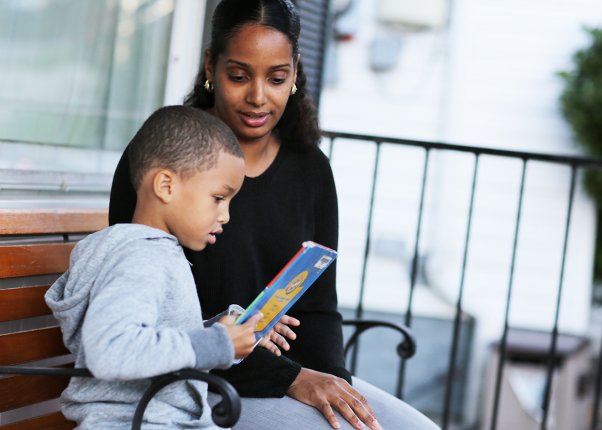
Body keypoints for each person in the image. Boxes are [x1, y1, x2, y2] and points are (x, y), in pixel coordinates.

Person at [109, 1, 440, 429]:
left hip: (290, 376)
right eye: (239, 76)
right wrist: (294, 379)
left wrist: (333, 385)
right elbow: (158, 322)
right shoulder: (166, 160)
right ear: (211, 64)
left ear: (295, 73)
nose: (258, 97)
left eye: (277, 77)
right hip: (199, 383)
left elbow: (318, 306)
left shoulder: (310, 169)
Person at [45, 106, 292, 429]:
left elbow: (150, 337)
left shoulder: (152, 252)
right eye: (218, 198)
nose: (226, 216)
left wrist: (227, 329)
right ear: (165, 186)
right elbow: (110, 348)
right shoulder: (141, 258)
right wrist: (217, 344)